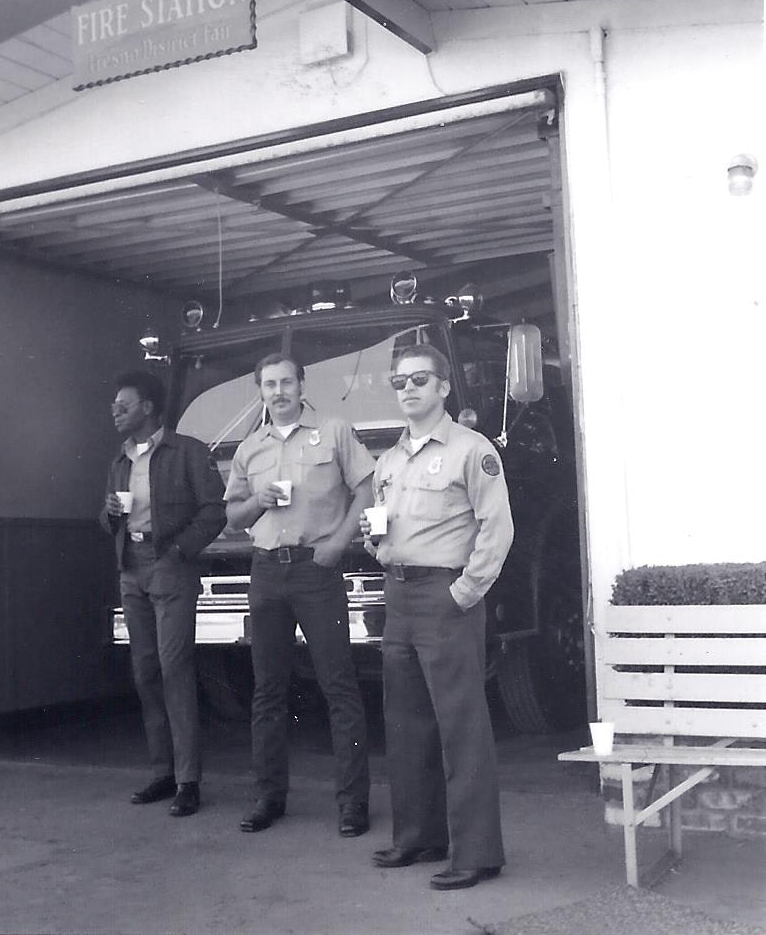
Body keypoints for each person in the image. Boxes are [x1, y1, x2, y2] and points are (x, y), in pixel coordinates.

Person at [361, 344, 514, 891]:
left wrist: (464, 593)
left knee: (461, 728)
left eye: (420, 379)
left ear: (444, 387)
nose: (408, 389)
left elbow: (497, 529)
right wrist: (375, 543)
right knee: (405, 726)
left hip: (445, 598)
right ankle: (419, 837)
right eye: (399, 381)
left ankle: (477, 854)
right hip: (398, 595)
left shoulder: (473, 451)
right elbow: (386, 528)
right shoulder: (390, 459)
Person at [225, 353, 374, 836]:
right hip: (267, 571)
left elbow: (368, 488)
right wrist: (257, 501)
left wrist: (339, 542)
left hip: (316, 570)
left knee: (339, 686)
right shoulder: (250, 447)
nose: (278, 391)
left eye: (286, 382)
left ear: (302, 384)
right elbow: (234, 518)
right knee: (267, 690)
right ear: (260, 391)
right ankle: (269, 797)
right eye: (269, 384)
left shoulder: (333, 430)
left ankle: (353, 803)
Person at [100, 369, 226, 817]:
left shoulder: (187, 452)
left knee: (175, 670)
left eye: (124, 405)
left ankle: (188, 781)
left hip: (171, 568)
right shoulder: (120, 460)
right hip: (131, 570)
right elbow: (107, 519)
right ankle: (163, 773)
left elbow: (215, 510)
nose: (115, 411)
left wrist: (179, 550)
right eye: (115, 405)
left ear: (149, 408)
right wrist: (112, 512)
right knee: (145, 672)